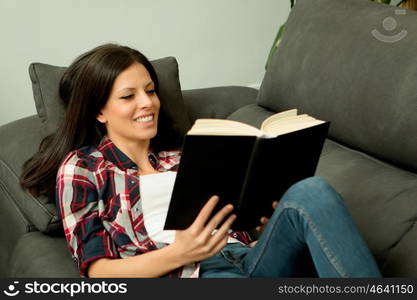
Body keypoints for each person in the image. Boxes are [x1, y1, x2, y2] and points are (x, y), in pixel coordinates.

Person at [20, 43, 382, 278]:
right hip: (195, 273)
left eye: (149, 91)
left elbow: (237, 223)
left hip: (251, 258)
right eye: (128, 96)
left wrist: (266, 219)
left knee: (312, 191)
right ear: (99, 111)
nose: (147, 103)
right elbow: (97, 271)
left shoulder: (186, 153)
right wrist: (181, 253)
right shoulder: (83, 167)